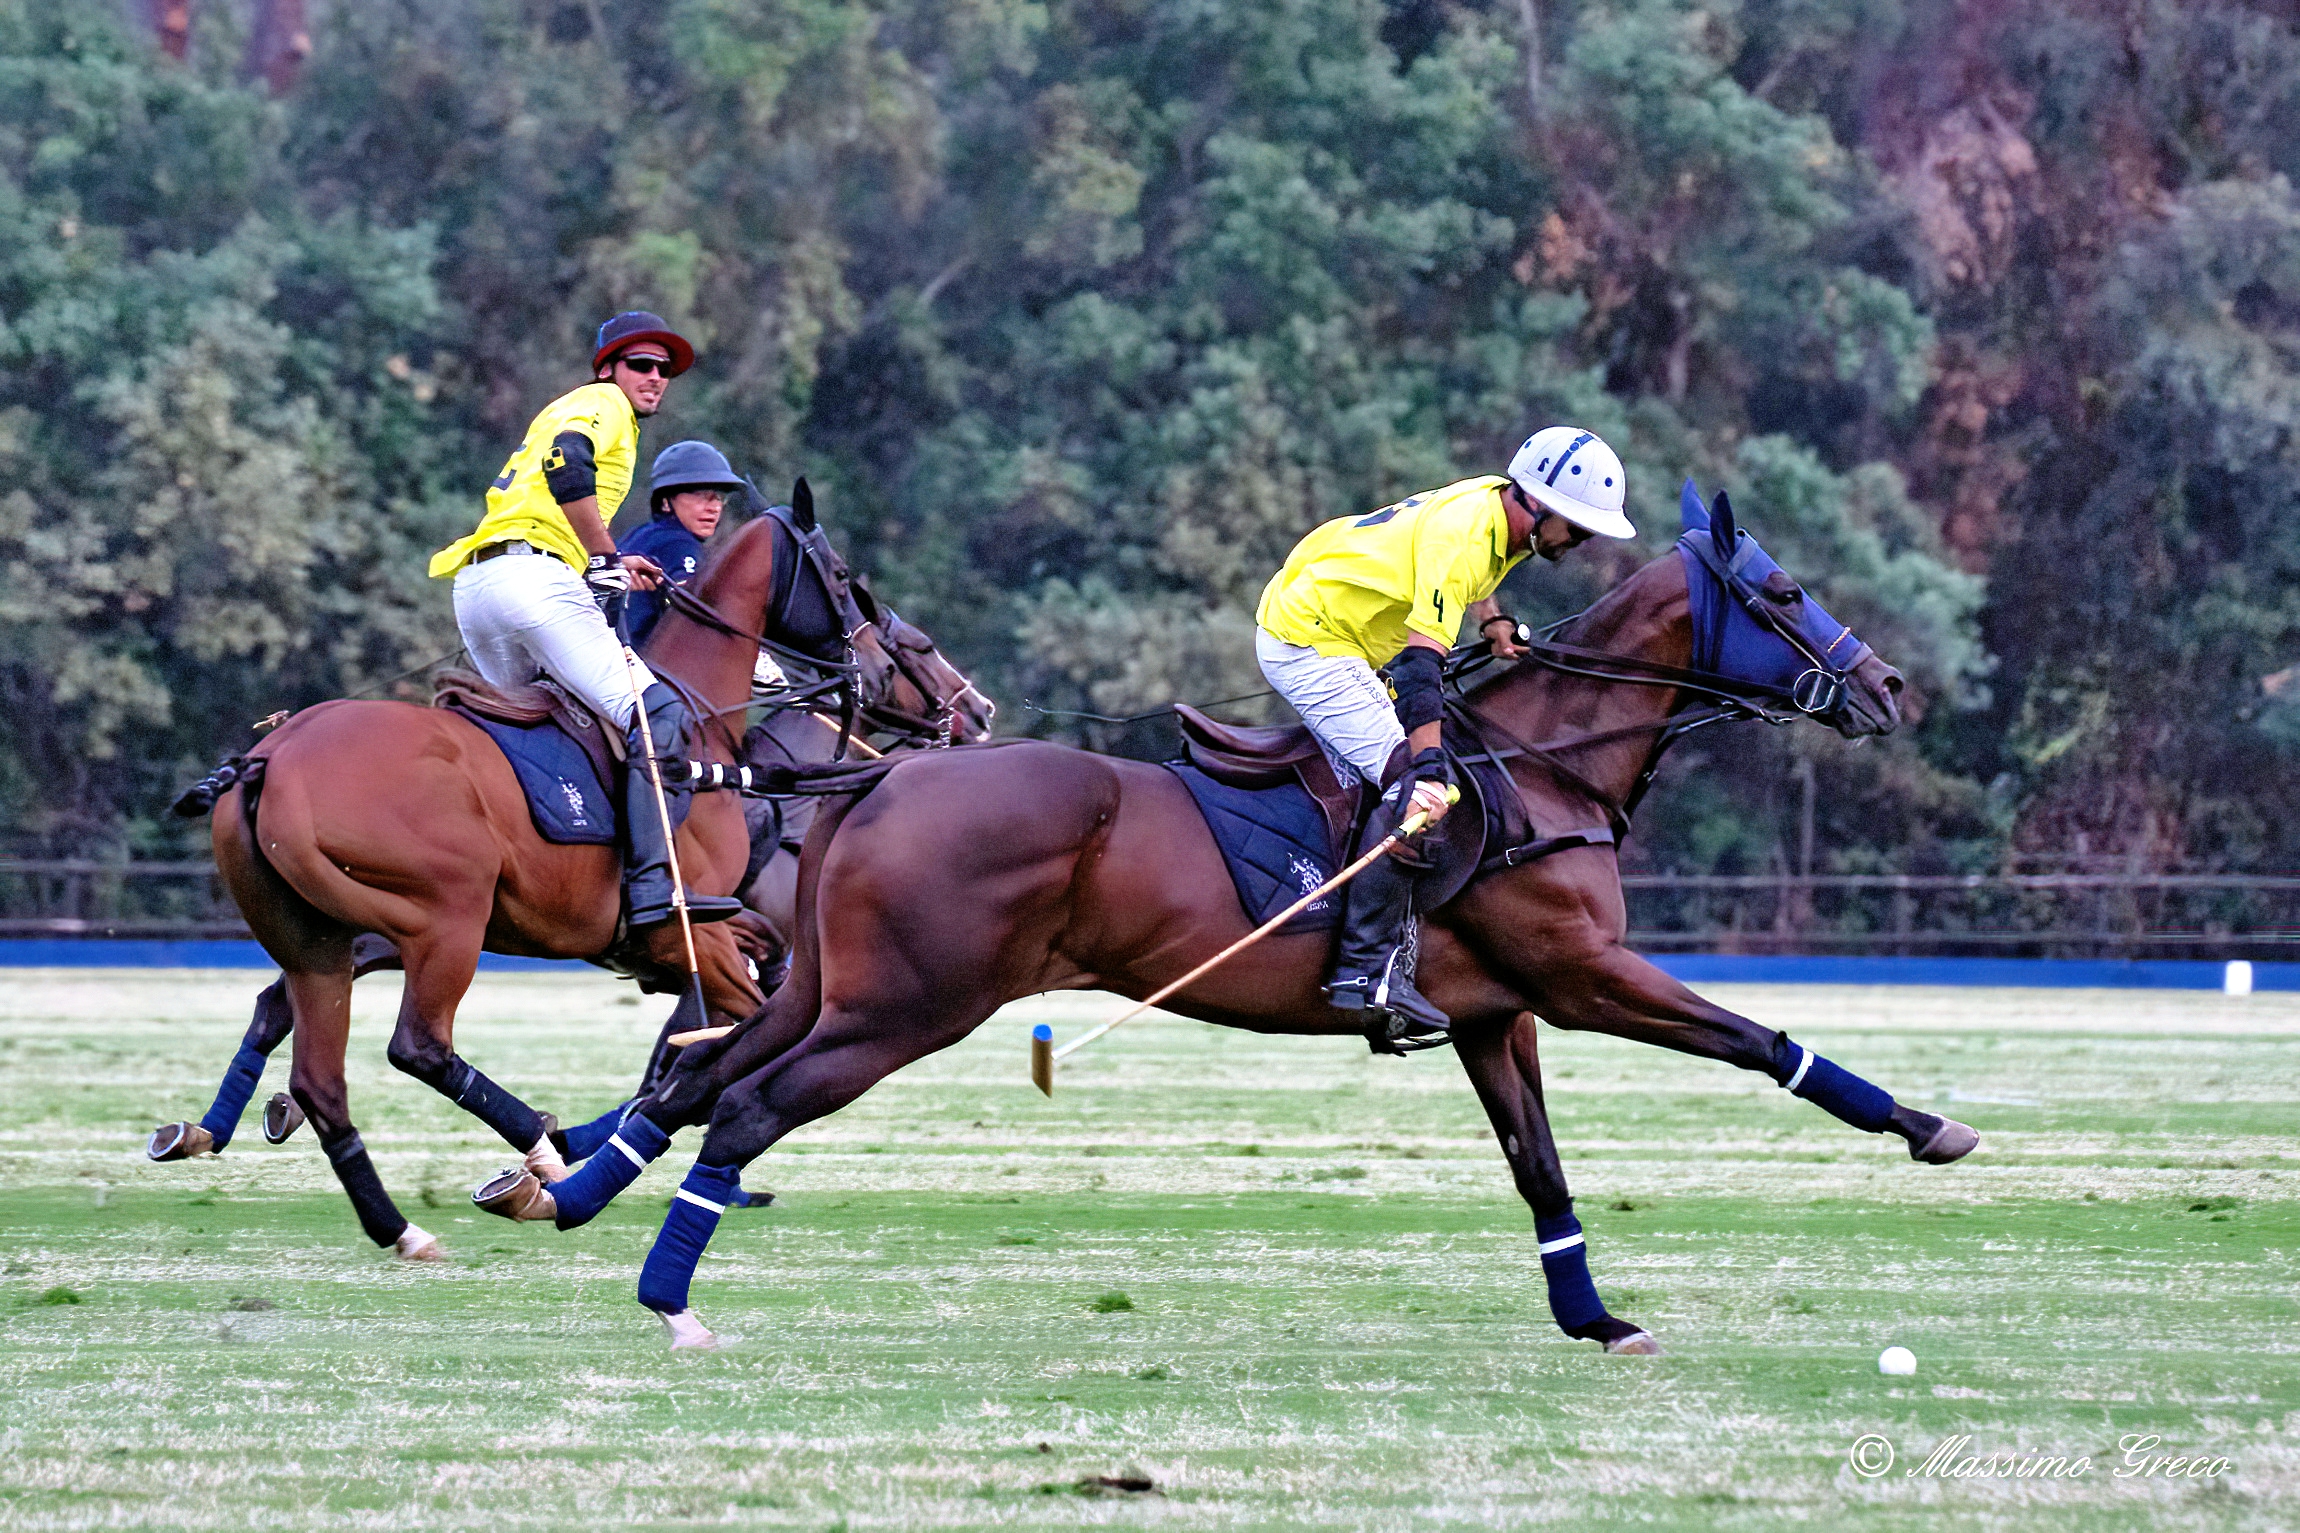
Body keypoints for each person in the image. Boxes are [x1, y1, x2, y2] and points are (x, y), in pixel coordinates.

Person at [1254, 426, 1636, 1043]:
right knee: (1420, 792)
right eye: (1581, 527)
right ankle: (1365, 972)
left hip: (1341, 629)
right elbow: (1419, 666)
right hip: (1310, 642)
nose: (1584, 541)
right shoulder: (1462, 534)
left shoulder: (1500, 510)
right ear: (1538, 506)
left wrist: (1492, 623)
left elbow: (1475, 583)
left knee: (1430, 772)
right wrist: (1426, 766)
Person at [428, 311, 743, 930]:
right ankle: (653, 887)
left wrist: (608, 561)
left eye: (664, 370)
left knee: (549, 728)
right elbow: (568, 463)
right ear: (609, 369)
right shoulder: (603, 404)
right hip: (532, 581)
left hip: (481, 582)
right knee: (658, 714)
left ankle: (541, 874)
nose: (655, 379)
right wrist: (603, 556)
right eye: (641, 365)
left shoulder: (576, 405)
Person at [618, 440, 747, 644]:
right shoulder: (678, 543)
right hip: (641, 665)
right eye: (702, 495)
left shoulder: (639, 535)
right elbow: (694, 611)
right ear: (666, 502)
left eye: (719, 497)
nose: (714, 507)